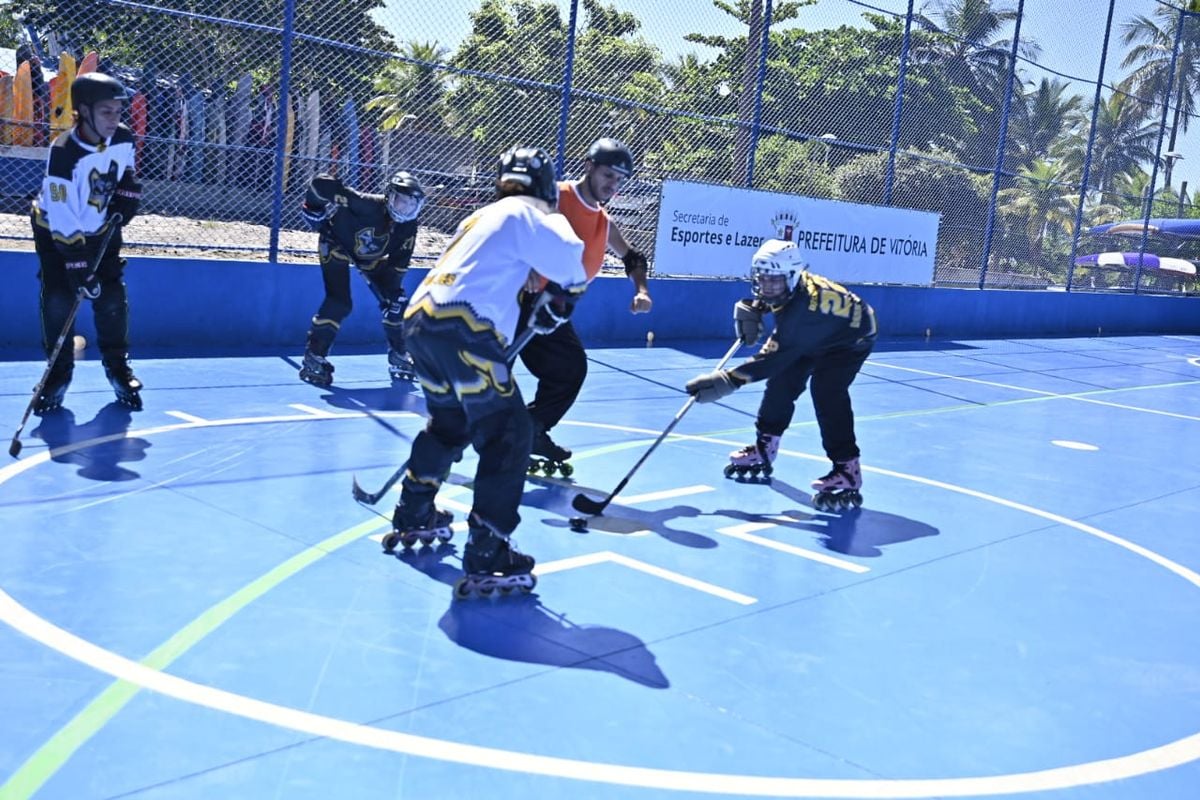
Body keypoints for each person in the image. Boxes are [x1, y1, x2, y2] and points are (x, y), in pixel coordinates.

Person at [389, 144, 587, 598]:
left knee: (448, 424)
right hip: (466, 328)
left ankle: (414, 511)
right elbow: (571, 260)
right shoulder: (529, 214)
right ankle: (488, 548)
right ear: (545, 188)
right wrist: (564, 297)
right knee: (508, 431)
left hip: (422, 321)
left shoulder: (480, 217)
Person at [684, 239, 877, 510]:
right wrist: (756, 306)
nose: (767, 286)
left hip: (850, 338)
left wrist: (729, 379)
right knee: (782, 385)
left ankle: (848, 469)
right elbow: (777, 310)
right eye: (762, 279)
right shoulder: (790, 290)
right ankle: (764, 447)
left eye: (774, 281)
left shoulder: (802, 311)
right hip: (817, 331)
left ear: (792, 276)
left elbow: (771, 360)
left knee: (827, 391)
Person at [517, 137, 652, 475]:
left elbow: (633, 257)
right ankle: (450, 436)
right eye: (608, 175)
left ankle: (531, 429)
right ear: (589, 166)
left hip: (554, 308)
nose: (613, 185)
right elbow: (516, 229)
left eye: (619, 180)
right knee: (488, 371)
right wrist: (529, 264)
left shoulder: (603, 222)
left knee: (570, 369)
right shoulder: (556, 195)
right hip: (515, 300)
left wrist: (642, 290)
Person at [31, 72, 143, 413]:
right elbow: (62, 210)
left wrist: (128, 195)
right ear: (83, 111)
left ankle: (117, 367)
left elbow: (126, 173)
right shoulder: (64, 151)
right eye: (106, 111)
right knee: (60, 298)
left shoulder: (123, 138)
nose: (115, 119)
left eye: (118, 111)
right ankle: (58, 373)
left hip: (101, 228)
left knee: (111, 298)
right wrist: (76, 262)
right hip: (55, 231)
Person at [297, 169, 426, 386]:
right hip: (336, 244)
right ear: (388, 196)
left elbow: (398, 264)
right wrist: (313, 208)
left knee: (396, 304)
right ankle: (314, 355)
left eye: (410, 204)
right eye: (399, 200)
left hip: (371, 258)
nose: (404, 208)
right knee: (339, 302)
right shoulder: (366, 204)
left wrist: (391, 295)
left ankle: (399, 355)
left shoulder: (409, 228)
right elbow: (319, 184)